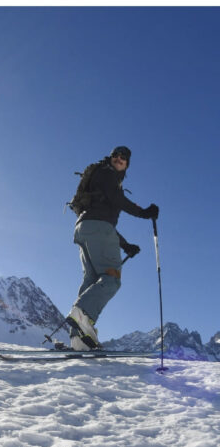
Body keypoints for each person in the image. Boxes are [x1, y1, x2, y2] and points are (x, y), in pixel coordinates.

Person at [65, 146, 159, 350]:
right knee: (112, 279)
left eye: (123, 157)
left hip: (84, 229)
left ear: (127, 164)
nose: (119, 158)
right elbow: (116, 202)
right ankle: (82, 313)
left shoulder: (100, 178)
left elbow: (102, 220)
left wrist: (125, 245)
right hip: (97, 227)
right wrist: (144, 213)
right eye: (116, 155)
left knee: (91, 280)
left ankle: (78, 339)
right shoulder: (107, 174)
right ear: (110, 158)